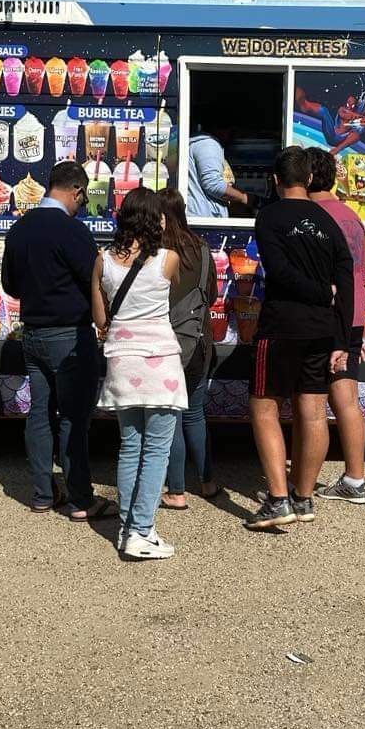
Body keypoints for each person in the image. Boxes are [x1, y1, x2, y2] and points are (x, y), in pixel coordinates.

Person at [245, 146, 354, 531]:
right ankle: (303, 497)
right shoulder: (329, 222)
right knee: (312, 410)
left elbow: (279, 271)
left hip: (280, 326)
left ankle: (278, 500)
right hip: (323, 329)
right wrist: (343, 338)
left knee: (264, 406)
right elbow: (347, 279)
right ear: (309, 180)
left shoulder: (270, 216)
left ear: (276, 181)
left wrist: (319, 293)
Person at [2, 161, 115, 522]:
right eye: (82, 198)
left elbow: (10, 286)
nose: (82, 205)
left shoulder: (19, 229)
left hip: (31, 334)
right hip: (69, 335)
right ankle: (81, 500)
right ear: (78, 191)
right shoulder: (73, 231)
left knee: (38, 414)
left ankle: (41, 494)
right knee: (73, 418)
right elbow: (95, 281)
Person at [92, 186, 188, 559]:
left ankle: (128, 526)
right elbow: (171, 292)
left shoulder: (102, 261)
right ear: (157, 220)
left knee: (130, 446)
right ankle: (142, 532)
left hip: (121, 360)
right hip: (160, 360)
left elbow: (101, 318)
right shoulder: (168, 258)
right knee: (157, 450)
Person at [306, 147, 365, 503]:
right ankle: (355, 480)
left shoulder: (309, 217)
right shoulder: (352, 216)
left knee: (311, 403)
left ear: (308, 177)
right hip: (353, 319)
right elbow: (362, 275)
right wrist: (356, 326)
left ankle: (299, 488)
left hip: (323, 319)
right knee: (347, 399)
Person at [158, 187, 221, 508]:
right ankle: (208, 482)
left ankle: (177, 491)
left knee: (171, 416)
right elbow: (211, 294)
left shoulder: (157, 252)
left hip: (166, 343)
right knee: (194, 414)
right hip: (199, 341)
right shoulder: (203, 248)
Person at [186, 125, 252, 219]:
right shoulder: (208, 144)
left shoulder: (209, 145)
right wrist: (244, 198)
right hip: (203, 219)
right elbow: (213, 184)